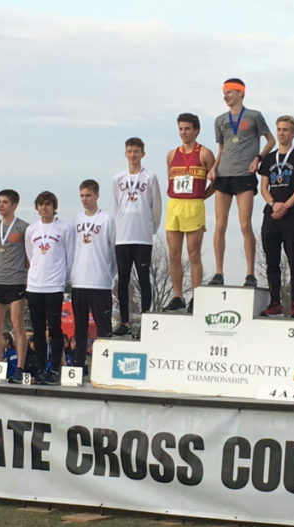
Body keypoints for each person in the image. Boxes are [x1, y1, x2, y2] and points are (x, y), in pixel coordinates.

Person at [207, 78, 275, 287]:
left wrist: (259, 158)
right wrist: (213, 167)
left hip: (244, 175)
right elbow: (221, 148)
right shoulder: (220, 120)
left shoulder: (254, 116)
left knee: (245, 224)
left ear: (240, 93)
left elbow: (270, 140)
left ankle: (249, 273)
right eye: (224, 92)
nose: (226, 95)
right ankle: (219, 272)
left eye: (230, 92)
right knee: (220, 224)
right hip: (224, 174)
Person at [258, 115, 294, 318]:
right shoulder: (270, 159)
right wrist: (273, 204)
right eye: (279, 129)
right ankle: (274, 302)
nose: (281, 133)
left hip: (292, 215)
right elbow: (263, 186)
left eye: (286, 130)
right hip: (271, 214)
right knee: (272, 260)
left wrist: (285, 206)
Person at [163, 113, 216, 313]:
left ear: (196, 130)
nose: (183, 133)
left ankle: (196, 296)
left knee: (193, 253)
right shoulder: (171, 154)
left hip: (194, 205)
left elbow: (215, 180)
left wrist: (203, 196)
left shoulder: (205, 153)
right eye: (181, 129)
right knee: (173, 254)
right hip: (175, 204)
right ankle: (178, 297)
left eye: (187, 128)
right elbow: (170, 177)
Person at [112, 137, 162, 334]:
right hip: (123, 236)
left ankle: (145, 321)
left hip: (142, 236)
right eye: (130, 151)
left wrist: (152, 228)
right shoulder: (118, 178)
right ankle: (124, 323)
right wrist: (119, 228)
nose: (133, 155)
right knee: (122, 280)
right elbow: (117, 206)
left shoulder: (150, 177)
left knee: (143, 279)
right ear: (125, 154)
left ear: (143, 153)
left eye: (136, 151)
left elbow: (156, 206)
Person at [25, 191, 73, 385]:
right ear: (37, 208)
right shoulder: (31, 230)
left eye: (47, 204)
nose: (44, 208)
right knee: (37, 331)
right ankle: (40, 369)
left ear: (54, 207)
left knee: (54, 329)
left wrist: (63, 280)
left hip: (54, 286)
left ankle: (54, 368)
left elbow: (70, 256)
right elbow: (31, 254)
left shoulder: (64, 228)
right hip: (35, 285)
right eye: (40, 205)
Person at [70, 179, 116, 375]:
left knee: (103, 327)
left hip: (100, 282)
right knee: (79, 328)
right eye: (81, 195)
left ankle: (105, 366)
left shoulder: (106, 219)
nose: (84, 199)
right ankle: (79, 365)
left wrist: (109, 275)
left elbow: (114, 251)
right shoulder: (77, 219)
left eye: (88, 195)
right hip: (79, 280)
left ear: (97, 196)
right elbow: (72, 249)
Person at [0, 189, 29, 383]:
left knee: (16, 323)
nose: (1, 205)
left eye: (5, 202)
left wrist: (25, 274)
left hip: (16, 280)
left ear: (14, 205)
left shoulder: (23, 228)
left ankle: (20, 366)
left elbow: (29, 257)